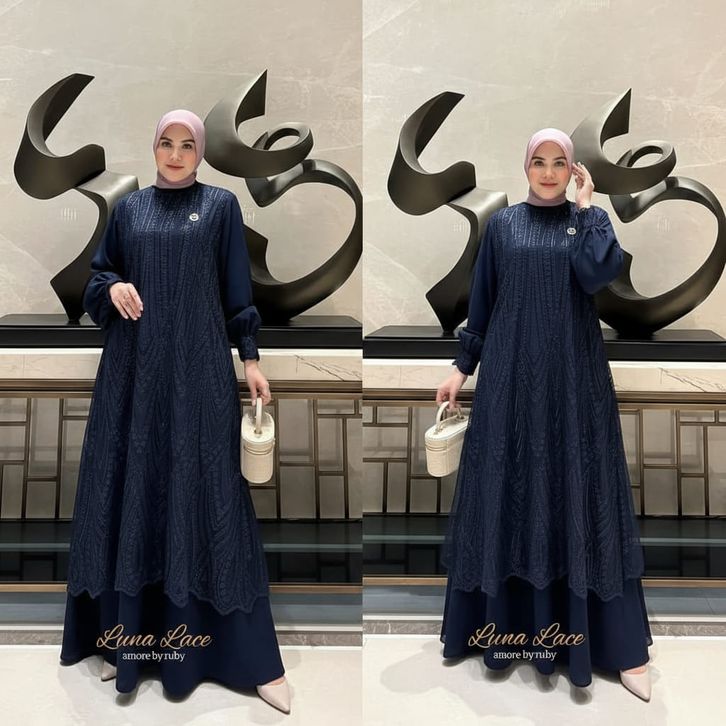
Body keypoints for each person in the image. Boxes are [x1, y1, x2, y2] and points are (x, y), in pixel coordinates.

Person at [59, 109, 291, 714]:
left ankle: (249, 658)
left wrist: (251, 359)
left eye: (188, 144)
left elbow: (237, 291)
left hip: (199, 372)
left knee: (212, 494)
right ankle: (126, 641)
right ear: (154, 146)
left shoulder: (219, 207)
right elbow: (99, 276)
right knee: (132, 490)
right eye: (167, 142)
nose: (177, 153)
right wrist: (111, 287)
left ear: (201, 151)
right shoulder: (129, 210)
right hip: (133, 374)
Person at [436, 128, 653, 702]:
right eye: (540, 161)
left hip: (574, 380)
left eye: (560, 163)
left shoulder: (589, 222)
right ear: (525, 166)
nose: (550, 172)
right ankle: (506, 631)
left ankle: (615, 643)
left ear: (574, 170)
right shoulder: (503, 226)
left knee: (581, 491)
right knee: (513, 491)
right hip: (510, 380)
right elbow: (482, 302)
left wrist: (586, 211)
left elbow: (596, 275)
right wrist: (461, 369)